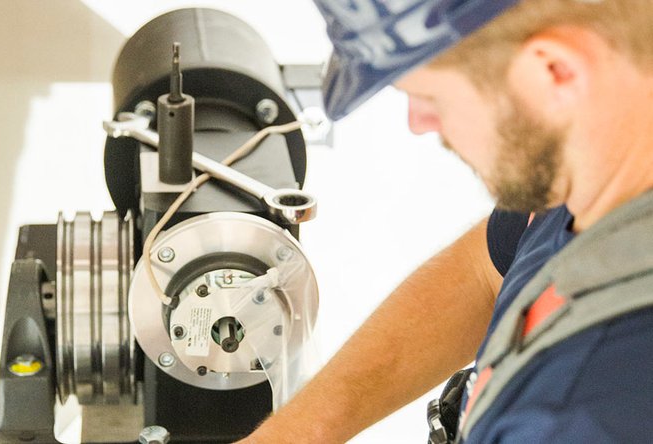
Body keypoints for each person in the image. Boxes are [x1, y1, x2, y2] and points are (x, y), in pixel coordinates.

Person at [239, 0, 653, 442]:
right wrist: (296, 434)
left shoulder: (580, 415)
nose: (419, 122)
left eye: (429, 97)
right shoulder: (592, 169)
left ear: (555, 71)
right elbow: (487, 268)